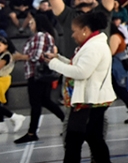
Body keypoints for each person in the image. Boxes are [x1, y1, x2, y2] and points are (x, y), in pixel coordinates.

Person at [46, 11, 115, 163]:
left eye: (74, 31)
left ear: (85, 30)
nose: (72, 35)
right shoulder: (92, 45)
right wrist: (58, 59)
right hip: (91, 100)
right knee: (94, 138)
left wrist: (54, 64)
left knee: (74, 140)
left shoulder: (94, 47)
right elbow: (77, 66)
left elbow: (81, 72)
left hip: (89, 101)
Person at [13, 14, 66, 143]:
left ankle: (32, 133)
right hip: (41, 74)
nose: (30, 25)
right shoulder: (45, 36)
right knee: (45, 101)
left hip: (37, 74)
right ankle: (66, 120)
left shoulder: (40, 36)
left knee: (36, 103)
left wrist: (19, 57)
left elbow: (36, 56)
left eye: (32, 22)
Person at [0, 35, 25, 135]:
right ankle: (1, 125)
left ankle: (15, 117)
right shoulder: (2, 55)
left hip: (2, 81)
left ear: (6, 46)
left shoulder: (6, 56)